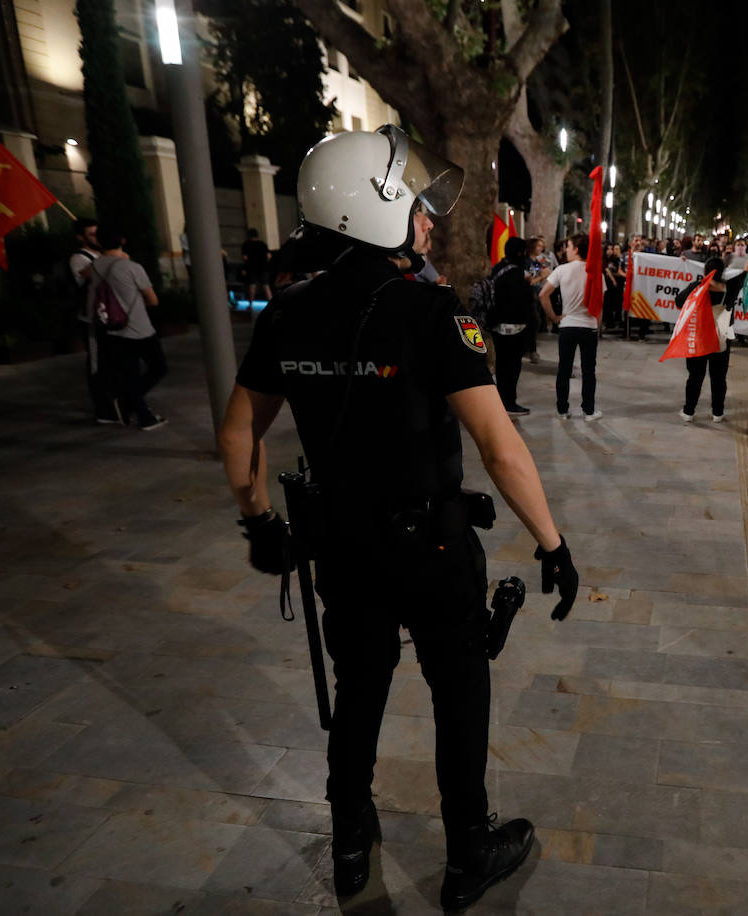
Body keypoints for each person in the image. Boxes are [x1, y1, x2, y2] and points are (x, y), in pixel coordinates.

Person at [216, 125, 579, 909]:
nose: (425, 220)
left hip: (340, 545)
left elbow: (239, 430)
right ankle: (466, 855)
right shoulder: (429, 312)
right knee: (459, 694)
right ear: (369, 211)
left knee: (360, 688)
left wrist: (257, 523)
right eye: (413, 205)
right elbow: (499, 445)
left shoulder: (287, 315)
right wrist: (552, 542)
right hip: (432, 544)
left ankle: (350, 842)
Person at [87, 225, 167, 431]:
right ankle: (129, 403)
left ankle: (142, 415)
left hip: (112, 328)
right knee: (158, 367)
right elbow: (153, 300)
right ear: (122, 240)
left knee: (129, 373)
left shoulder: (95, 266)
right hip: (138, 327)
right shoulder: (131, 267)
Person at [676, 254, 748, 422]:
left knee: (695, 376)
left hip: (699, 338)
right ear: (723, 272)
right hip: (721, 339)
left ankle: (689, 411)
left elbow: (679, 301)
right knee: (719, 377)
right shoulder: (731, 287)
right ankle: (718, 413)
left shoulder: (696, 287)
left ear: (705, 271)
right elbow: (747, 273)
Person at [539, 233, 604, 420]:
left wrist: (554, 317)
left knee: (564, 370)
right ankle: (589, 410)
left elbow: (543, 294)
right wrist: (597, 328)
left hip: (567, 326)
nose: (565, 250)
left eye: (568, 246)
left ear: (576, 249)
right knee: (588, 371)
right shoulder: (596, 273)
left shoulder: (562, 270)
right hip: (589, 326)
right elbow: (599, 305)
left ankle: (562, 409)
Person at [68, 218, 118, 423]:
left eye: (98, 233)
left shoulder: (103, 255)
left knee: (114, 361)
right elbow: (91, 275)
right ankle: (103, 409)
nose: (96, 238)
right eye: (91, 234)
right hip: (93, 318)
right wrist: (110, 257)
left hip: (112, 316)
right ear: (81, 237)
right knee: (97, 363)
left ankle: (117, 402)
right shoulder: (79, 258)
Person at [489, 237, 535, 416]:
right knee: (512, 366)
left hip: (497, 325)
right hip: (514, 327)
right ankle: (509, 402)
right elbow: (522, 301)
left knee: (501, 365)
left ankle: (501, 401)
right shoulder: (516, 273)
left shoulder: (498, 268)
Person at [241, 228, 273, 304]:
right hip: (263, 267)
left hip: (251, 268)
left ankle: (251, 304)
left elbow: (245, 258)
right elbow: (269, 256)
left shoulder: (246, 244)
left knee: (252, 285)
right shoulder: (262, 244)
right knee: (266, 286)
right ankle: (272, 304)